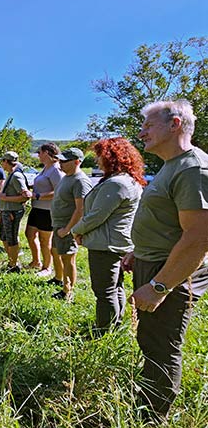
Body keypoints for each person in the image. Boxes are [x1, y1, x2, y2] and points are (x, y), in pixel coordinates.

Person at [122, 99, 208, 419]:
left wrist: (159, 286)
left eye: (149, 125)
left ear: (175, 125)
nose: (142, 132)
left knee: (161, 345)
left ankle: (150, 421)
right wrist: (138, 251)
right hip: (153, 262)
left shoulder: (193, 168)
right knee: (150, 337)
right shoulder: (171, 165)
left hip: (169, 271)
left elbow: (199, 237)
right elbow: (167, 220)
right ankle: (149, 401)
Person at [71, 138, 145, 332]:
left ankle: (103, 331)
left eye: (100, 156)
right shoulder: (127, 180)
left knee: (104, 291)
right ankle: (114, 325)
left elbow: (97, 216)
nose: (98, 161)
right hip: (115, 242)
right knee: (115, 288)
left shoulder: (117, 184)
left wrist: (75, 230)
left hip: (106, 245)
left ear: (112, 157)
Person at [50, 148, 93, 300]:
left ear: (76, 162)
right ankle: (62, 284)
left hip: (66, 228)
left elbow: (81, 209)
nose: (60, 163)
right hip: (59, 225)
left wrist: (68, 229)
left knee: (68, 259)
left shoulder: (80, 180)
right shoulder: (66, 176)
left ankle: (68, 292)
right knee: (59, 255)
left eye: (64, 161)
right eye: (60, 160)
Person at [25, 143, 64, 278]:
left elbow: (59, 191)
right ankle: (36, 261)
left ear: (47, 153)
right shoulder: (45, 168)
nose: (38, 155)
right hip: (37, 208)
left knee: (44, 240)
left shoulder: (56, 170)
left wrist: (38, 195)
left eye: (40, 153)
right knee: (29, 234)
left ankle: (47, 267)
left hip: (47, 210)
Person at [0, 151, 31, 272]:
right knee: (4, 237)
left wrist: (6, 198)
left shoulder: (17, 176)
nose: (2, 164)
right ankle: (11, 262)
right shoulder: (11, 174)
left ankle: (14, 265)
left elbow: (25, 196)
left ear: (6, 161)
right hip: (6, 211)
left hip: (12, 211)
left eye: (3, 161)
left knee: (11, 238)